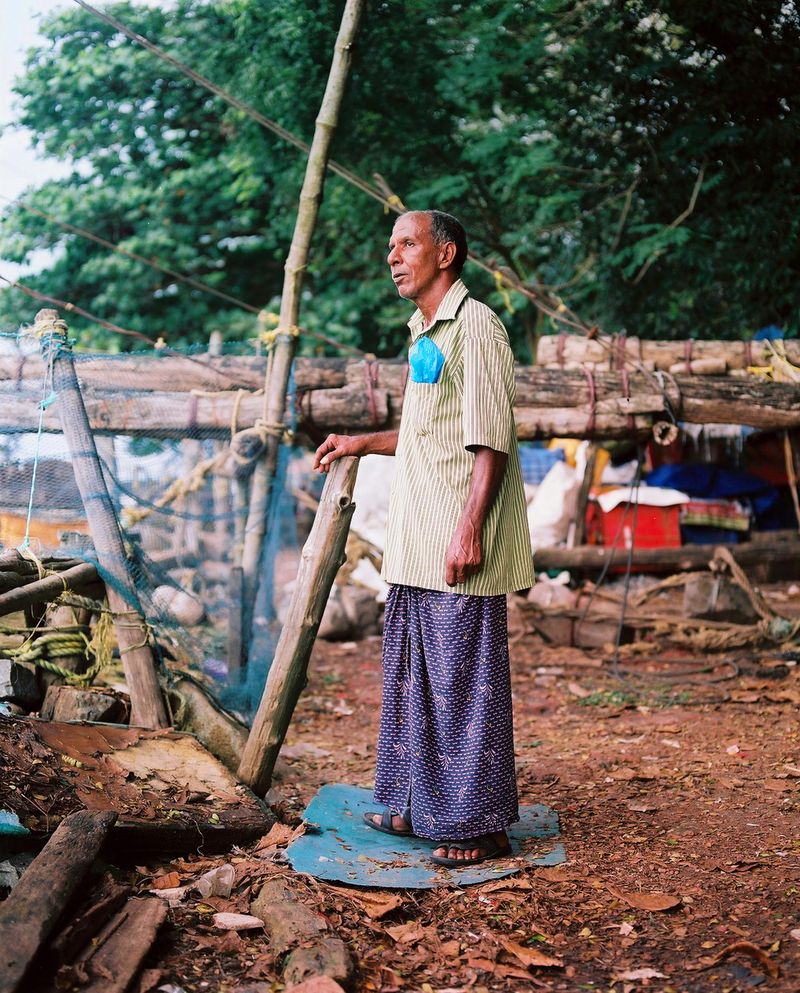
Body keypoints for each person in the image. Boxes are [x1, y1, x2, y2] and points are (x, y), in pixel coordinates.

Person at [313, 209, 533, 866]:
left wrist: (469, 530)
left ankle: (480, 824)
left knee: (462, 683)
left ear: (447, 253)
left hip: (452, 541)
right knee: (413, 677)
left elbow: (490, 438)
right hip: (414, 541)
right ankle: (416, 801)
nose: (393, 255)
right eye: (391, 245)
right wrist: (360, 441)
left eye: (407, 243)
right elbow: (422, 430)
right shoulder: (425, 332)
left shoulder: (478, 329)